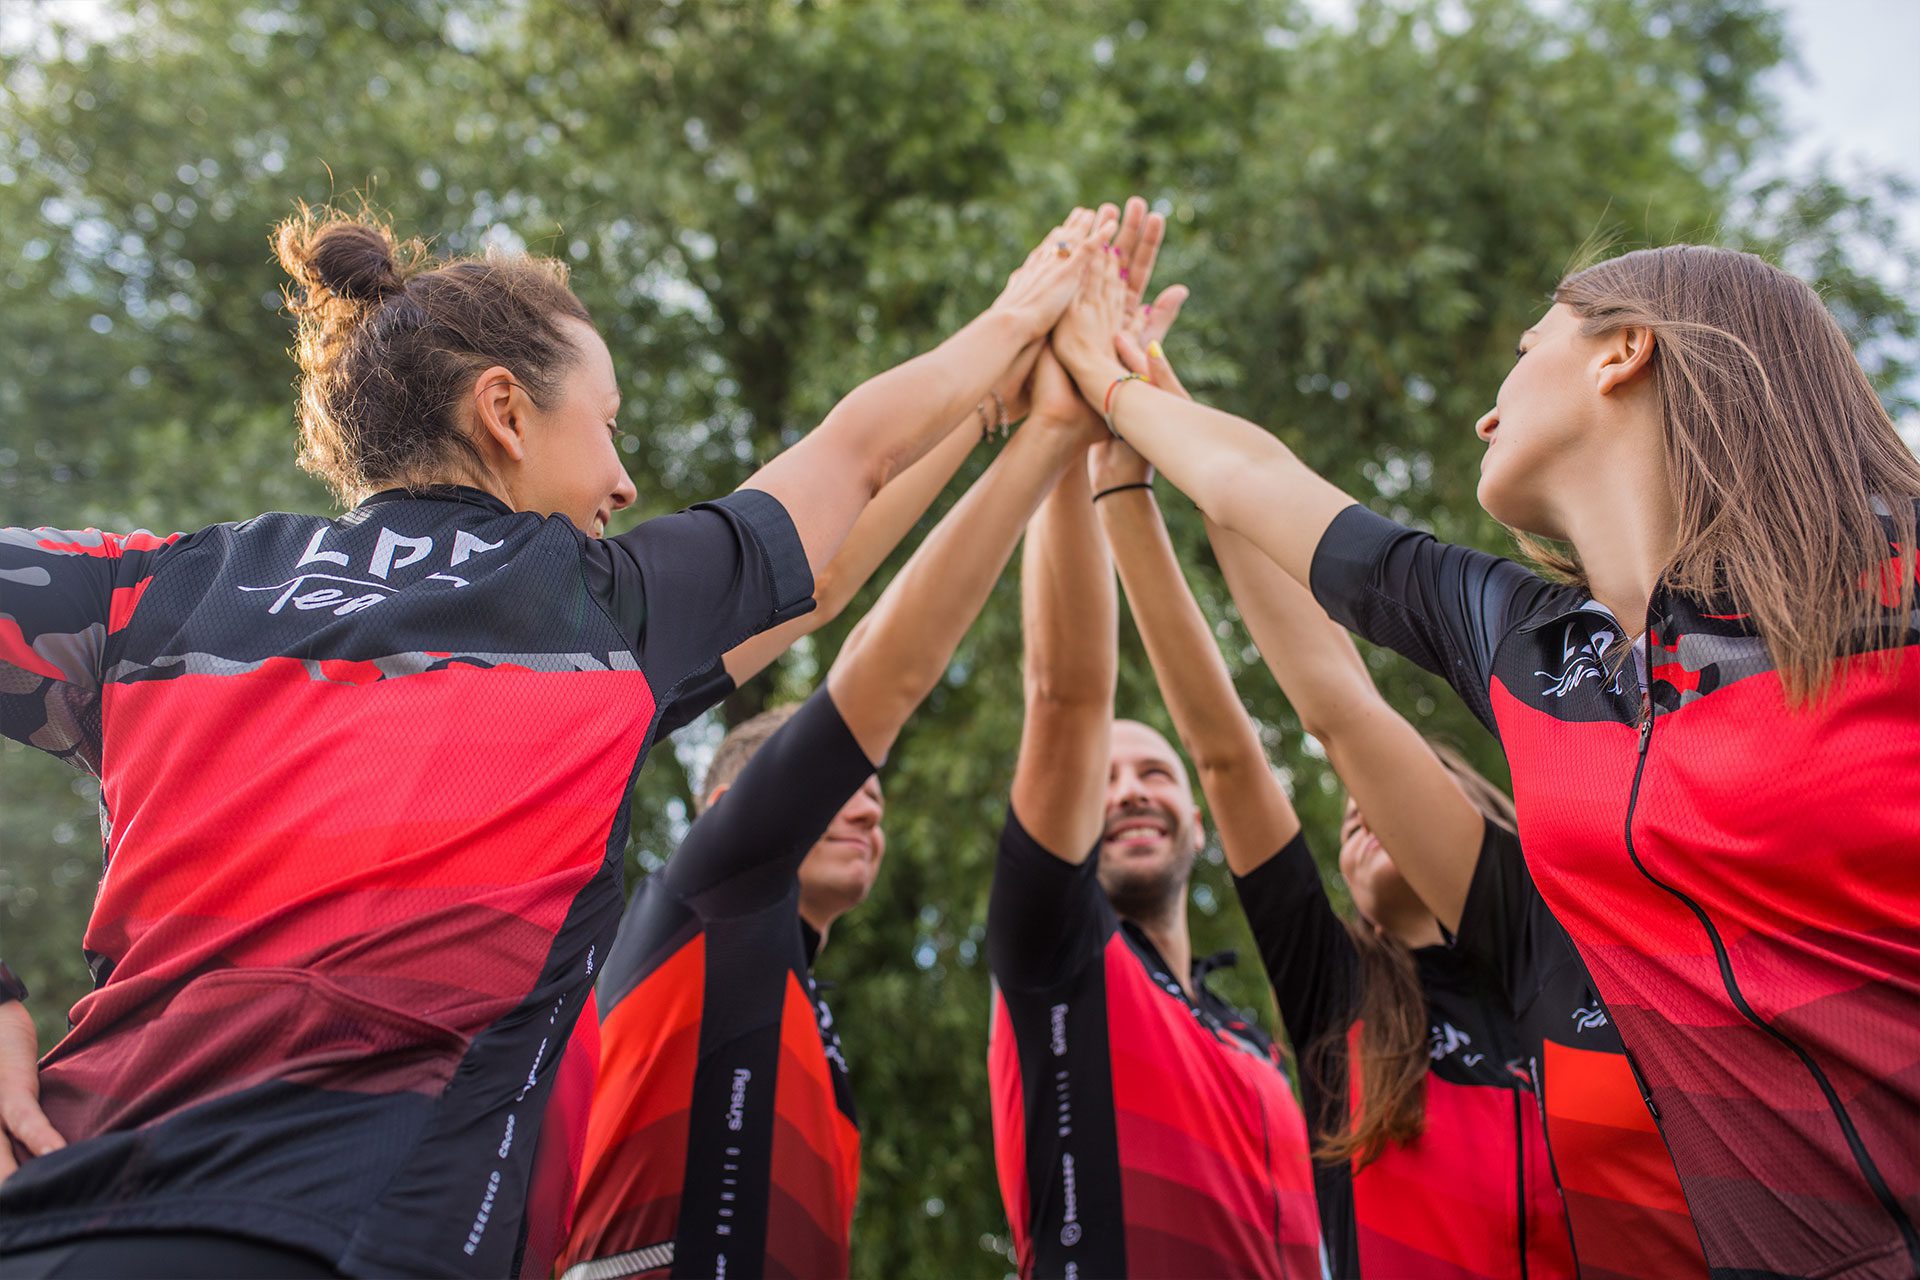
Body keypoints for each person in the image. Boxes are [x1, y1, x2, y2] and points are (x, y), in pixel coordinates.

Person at [0, 201, 1111, 1278]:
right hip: (351, 1224)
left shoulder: (160, 587)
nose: (623, 481)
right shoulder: (593, 610)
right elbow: (850, 463)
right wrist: (1025, 316)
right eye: (609, 423)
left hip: (59, 1211)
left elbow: (828, 553)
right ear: (506, 411)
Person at [1052, 239, 1920, 1278]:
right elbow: (1258, 489)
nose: (1484, 412)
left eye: (1526, 345)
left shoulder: (1896, 583)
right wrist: (1110, 383)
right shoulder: (1534, 651)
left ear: (1624, 350)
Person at [553, 321, 1116, 1280]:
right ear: (725, 806)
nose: (868, 811)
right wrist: (1035, 429)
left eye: (877, 801)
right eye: (844, 790)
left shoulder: (803, 1017)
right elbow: (875, 659)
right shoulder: (703, 900)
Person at [1088, 392, 1575, 1278]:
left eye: (1390, 797)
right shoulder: (1334, 994)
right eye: (1350, 816)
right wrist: (1134, 488)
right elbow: (1228, 757)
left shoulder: (1556, 953)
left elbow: (1349, 713)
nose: (1363, 810)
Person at [986, 199, 1320, 1278]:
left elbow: (1230, 756)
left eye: (1155, 772)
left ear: (1199, 821)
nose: (1131, 787)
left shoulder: (1260, 1040)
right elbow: (1067, 694)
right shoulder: (1055, 952)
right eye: (1111, 775)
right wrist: (1074, 420)